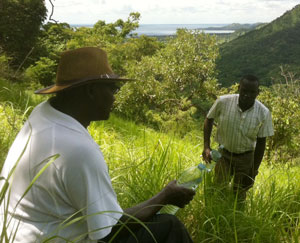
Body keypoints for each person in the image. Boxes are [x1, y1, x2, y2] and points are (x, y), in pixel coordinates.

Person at [0, 47, 195, 242]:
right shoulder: (78, 149)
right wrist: (165, 197)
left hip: (14, 233)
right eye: (112, 89)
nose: (115, 96)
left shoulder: (44, 113)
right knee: (170, 227)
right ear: (91, 90)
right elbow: (110, 231)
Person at [202, 75, 274, 199]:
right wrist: (206, 147)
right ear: (239, 88)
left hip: (246, 158)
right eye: (244, 90)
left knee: (240, 193)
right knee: (218, 189)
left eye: (252, 92)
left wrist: (253, 171)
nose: (247, 95)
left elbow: (261, 142)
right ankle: (216, 214)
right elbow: (209, 119)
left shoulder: (263, 112)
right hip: (223, 155)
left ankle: (235, 217)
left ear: (258, 93)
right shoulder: (223, 102)